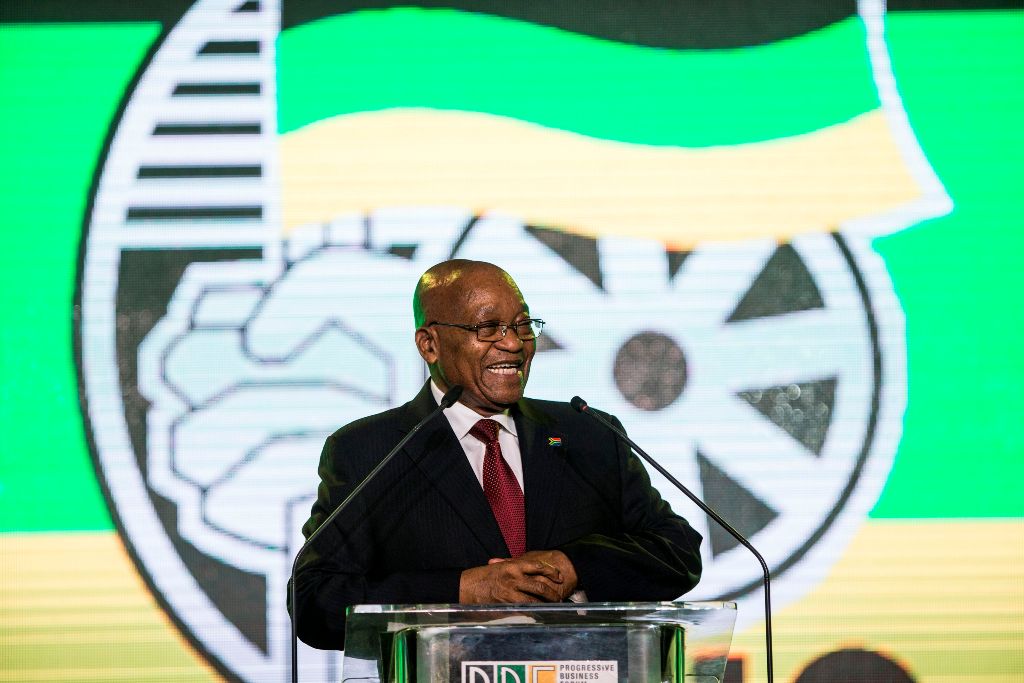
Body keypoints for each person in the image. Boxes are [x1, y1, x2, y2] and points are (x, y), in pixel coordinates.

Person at [291, 259, 702, 650]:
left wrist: (574, 566)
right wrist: (465, 591)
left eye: (523, 325)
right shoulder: (371, 450)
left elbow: (677, 550)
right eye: (487, 328)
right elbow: (316, 601)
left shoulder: (587, 433)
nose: (513, 343)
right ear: (429, 344)